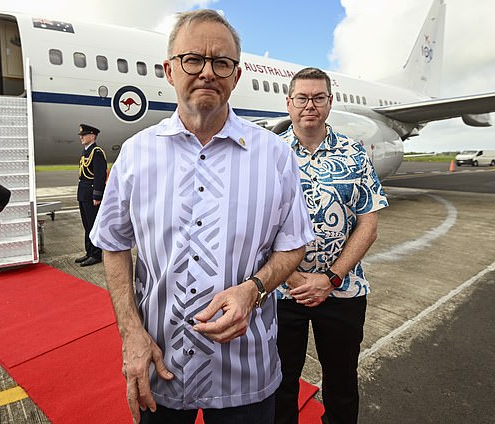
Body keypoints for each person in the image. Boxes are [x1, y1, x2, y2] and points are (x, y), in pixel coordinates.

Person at [89, 10, 314, 424]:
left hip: (245, 374)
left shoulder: (276, 155)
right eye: (193, 59)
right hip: (158, 368)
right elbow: (114, 243)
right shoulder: (135, 155)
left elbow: (294, 243)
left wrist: (255, 289)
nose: (207, 72)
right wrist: (130, 334)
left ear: (236, 75)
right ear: (169, 69)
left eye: (221, 62)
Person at [274, 67, 389, 424]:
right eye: (302, 98)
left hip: (343, 291)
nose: (310, 105)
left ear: (329, 102)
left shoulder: (353, 152)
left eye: (318, 98)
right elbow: (257, 228)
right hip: (282, 293)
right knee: (280, 383)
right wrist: (293, 280)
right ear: (289, 103)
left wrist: (331, 278)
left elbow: (368, 224)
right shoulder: (270, 155)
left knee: (341, 382)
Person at [75, 123, 106, 267]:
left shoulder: (97, 152)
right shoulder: (86, 151)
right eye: (81, 135)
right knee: (87, 225)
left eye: (84, 134)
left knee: (93, 225)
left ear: (92, 136)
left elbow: (100, 176)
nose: (81, 137)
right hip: (83, 192)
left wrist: (97, 196)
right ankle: (89, 252)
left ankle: (96, 254)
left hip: (91, 193)